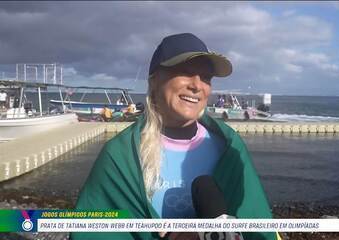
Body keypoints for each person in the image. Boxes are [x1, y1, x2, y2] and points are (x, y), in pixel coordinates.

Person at [72, 33, 278, 240]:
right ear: (154, 81)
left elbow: (257, 224)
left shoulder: (229, 148)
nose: (197, 85)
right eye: (185, 72)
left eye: (206, 77)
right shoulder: (120, 155)